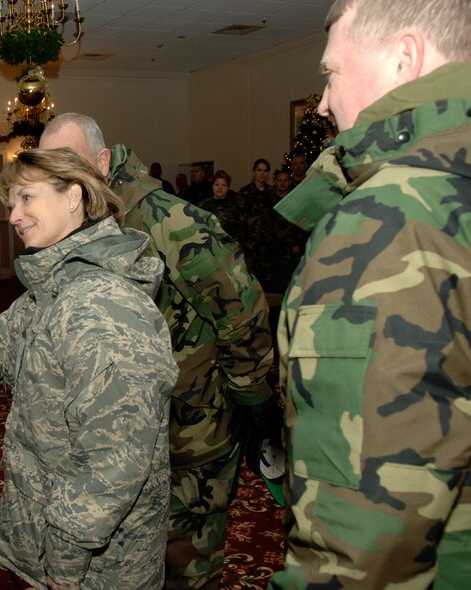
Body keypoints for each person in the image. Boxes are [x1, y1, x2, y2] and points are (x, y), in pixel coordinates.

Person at [271, 0, 471, 587]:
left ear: (404, 57)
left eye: (331, 73)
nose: (325, 103)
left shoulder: (390, 216)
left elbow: (364, 532)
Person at [40, 113, 274, 590]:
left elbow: (242, 306)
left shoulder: (169, 219)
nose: (60, 181)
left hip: (189, 427)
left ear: (102, 162)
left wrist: (252, 395)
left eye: (69, 165)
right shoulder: (82, 222)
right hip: (123, 428)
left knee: (187, 558)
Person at [0, 147, 178, 589]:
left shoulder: (101, 304)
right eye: (11, 204)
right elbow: (0, 343)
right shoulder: (58, 282)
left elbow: (113, 465)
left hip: (100, 566)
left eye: (26, 198)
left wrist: (62, 564)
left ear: (73, 197)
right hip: (54, 538)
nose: (13, 216)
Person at [237, 158, 278, 290]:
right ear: (254, 172)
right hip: (251, 247)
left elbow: (275, 217)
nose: (262, 173)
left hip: (269, 247)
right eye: (259, 170)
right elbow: (240, 219)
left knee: (269, 286)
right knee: (251, 285)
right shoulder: (245, 192)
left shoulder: (272, 192)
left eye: (265, 171)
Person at [196, 170, 244, 246]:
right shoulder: (202, 205)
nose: (220, 188)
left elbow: (241, 228)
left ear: (228, 188)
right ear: (212, 186)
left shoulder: (234, 206)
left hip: (228, 246)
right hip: (207, 246)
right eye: (217, 184)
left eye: (224, 185)